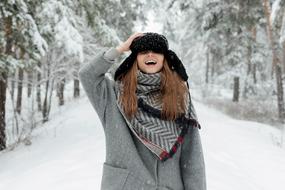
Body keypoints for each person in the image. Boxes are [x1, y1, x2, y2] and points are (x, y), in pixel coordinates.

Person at [79, 32, 206, 190]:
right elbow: (87, 76)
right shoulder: (114, 95)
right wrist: (120, 49)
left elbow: (192, 159)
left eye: (156, 51)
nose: (150, 54)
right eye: (143, 51)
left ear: (165, 58)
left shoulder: (180, 98)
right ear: (135, 58)